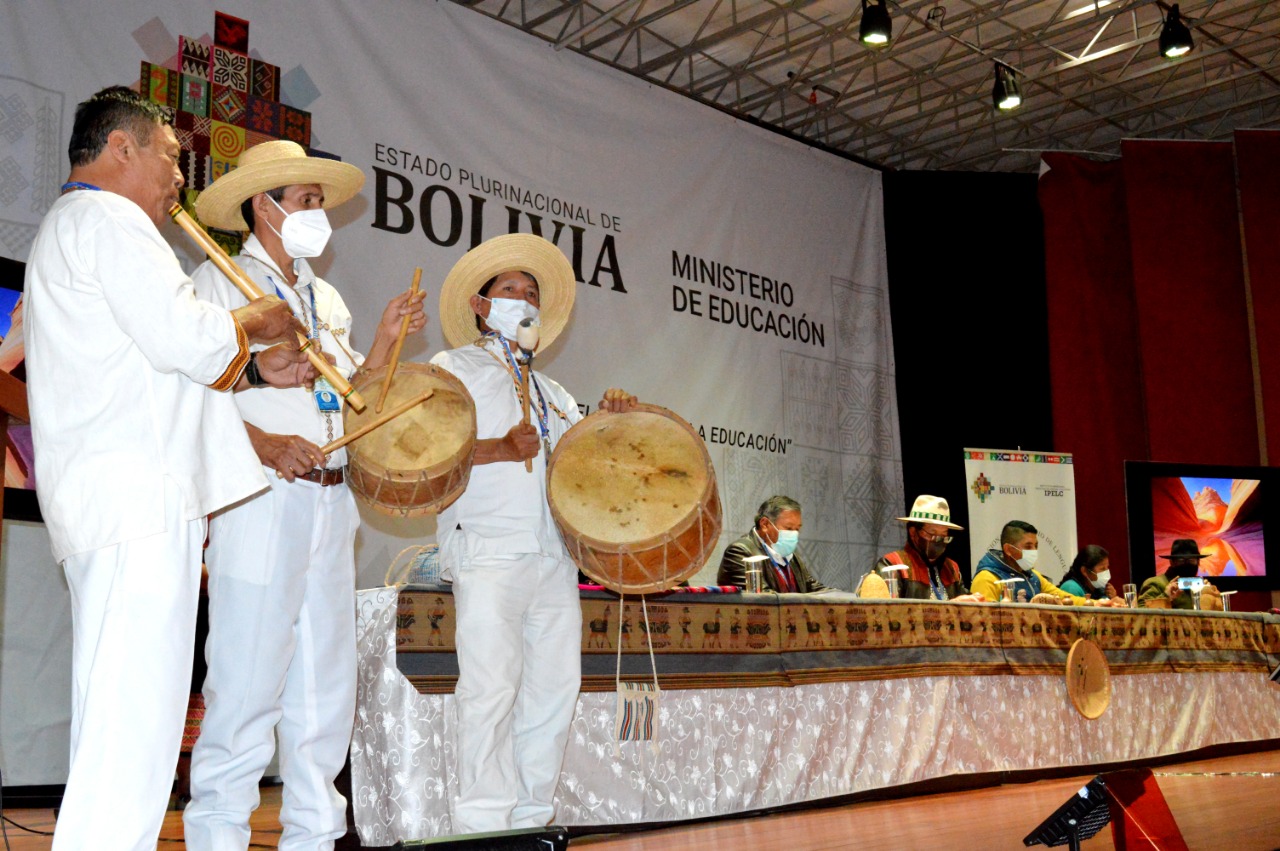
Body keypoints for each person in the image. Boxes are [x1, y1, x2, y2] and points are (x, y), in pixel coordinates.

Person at [24, 86, 305, 850]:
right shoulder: (110, 219)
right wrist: (256, 320)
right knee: (133, 729)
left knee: (122, 725)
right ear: (123, 147)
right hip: (138, 503)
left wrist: (250, 368)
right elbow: (185, 337)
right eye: (173, 157)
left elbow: (149, 363)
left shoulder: (70, 226)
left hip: (123, 502)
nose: (180, 177)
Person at [182, 140, 426, 850]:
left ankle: (314, 839)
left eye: (320, 201)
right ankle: (217, 837)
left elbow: (350, 393)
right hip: (260, 496)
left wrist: (385, 341)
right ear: (263, 206)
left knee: (324, 689)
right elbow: (190, 398)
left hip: (331, 499)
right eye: (307, 200)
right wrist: (264, 445)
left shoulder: (326, 297)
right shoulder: (216, 283)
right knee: (246, 681)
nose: (319, 213)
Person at [429, 233, 638, 834]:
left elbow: (588, 472)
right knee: (491, 687)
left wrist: (611, 420)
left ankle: (532, 819)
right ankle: (482, 827)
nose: (523, 301)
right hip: (488, 547)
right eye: (510, 290)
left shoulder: (556, 394)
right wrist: (497, 448)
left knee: (553, 691)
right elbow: (423, 455)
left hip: (553, 557)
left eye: (532, 293)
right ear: (481, 305)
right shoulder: (452, 369)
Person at [869, 494, 984, 601]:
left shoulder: (951, 568)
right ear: (913, 532)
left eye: (943, 536)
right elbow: (887, 612)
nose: (938, 540)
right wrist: (952, 606)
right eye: (932, 534)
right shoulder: (892, 566)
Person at [717, 495, 827, 592]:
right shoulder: (739, 552)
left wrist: (836, 596)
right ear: (765, 524)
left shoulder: (791, 556)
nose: (794, 534)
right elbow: (763, 598)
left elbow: (813, 588)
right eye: (789, 528)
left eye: (797, 529)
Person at [970, 520, 1092, 604]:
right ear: (1008, 550)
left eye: (1036, 546)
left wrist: (1097, 604)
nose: (1034, 551)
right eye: (1028, 546)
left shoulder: (1034, 576)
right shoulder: (986, 579)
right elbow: (983, 620)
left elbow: (1064, 599)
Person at [1139, 539, 1219, 609]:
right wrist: (1166, 596)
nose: (1187, 564)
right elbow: (1141, 614)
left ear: (1198, 562)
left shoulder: (1199, 587)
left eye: (1191, 560)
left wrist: (1209, 594)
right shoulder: (1155, 583)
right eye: (1181, 560)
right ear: (1172, 562)